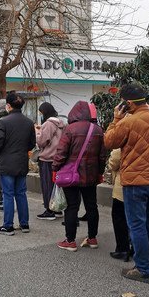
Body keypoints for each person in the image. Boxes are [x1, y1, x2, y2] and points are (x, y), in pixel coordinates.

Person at [104, 83, 149, 284]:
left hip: (134, 182)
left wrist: (116, 119)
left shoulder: (128, 122)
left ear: (127, 103)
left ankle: (143, 269)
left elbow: (109, 141)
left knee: (136, 224)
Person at [53, 101, 106, 251]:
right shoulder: (98, 130)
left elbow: (61, 153)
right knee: (91, 206)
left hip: (71, 176)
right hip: (91, 176)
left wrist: (55, 169)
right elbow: (102, 156)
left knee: (71, 207)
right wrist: (100, 173)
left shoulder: (70, 129)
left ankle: (70, 241)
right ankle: (92, 238)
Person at [0, 93, 36, 235]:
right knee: (21, 193)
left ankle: (8, 225)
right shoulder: (29, 122)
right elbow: (31, 144)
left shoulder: (4, 122)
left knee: (8, 194)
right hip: (22, 162)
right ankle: (24, 224)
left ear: (8, 106)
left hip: (6, 163)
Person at [35, 102, 65, 220]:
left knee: (47, 185)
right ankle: (57, 208)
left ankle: (49, 210)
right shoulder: (61, 123)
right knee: (55, 186)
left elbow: (42, 141)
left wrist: (37, 133)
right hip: (58, 158)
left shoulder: (48, 124)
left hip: (47, 158)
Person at [108, 148, 131, 260]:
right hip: (144, 184)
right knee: (137, 220)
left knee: (119, 218)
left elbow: (114, 161)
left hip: (123, 184)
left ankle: (122, 249)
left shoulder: (126, 135)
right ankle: (135, 248)